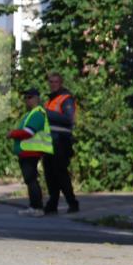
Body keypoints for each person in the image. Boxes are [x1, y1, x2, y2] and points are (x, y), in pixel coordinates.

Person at [7, 88, 54, 218]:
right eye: (25, 98)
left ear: (36, 99)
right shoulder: (29, 114)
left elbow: (29, 132)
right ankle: (33, 206)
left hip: (31, 152)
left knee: (31, 180)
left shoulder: (38, 114)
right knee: (30, 180)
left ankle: (37, 207)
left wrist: (12, 134)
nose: (26, 100)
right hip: (26, 152)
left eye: (29, 97)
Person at [42, 72, 80, 214]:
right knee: (50, 174)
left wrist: (47, 113)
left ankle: (72, 203)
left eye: (56, 82)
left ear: (61, 83)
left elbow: (69, 119)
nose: (53, 84)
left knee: (60, 173)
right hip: (49, 142)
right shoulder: (50, 100)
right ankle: (53, 204)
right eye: (51, 81)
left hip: (61, 142)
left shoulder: (66, 98)